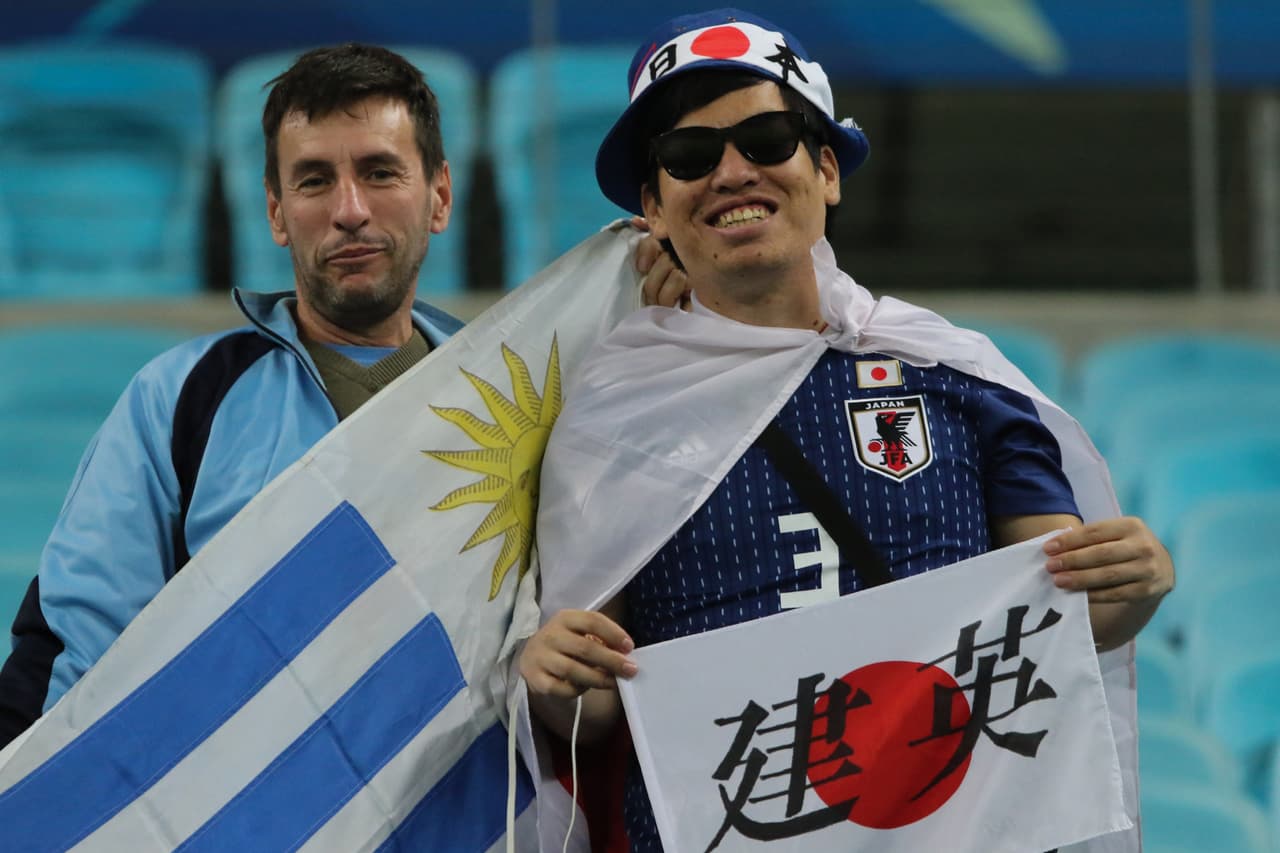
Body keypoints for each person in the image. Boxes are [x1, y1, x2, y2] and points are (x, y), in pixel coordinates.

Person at [519, 9, 1174, 850]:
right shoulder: (608, 421)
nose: (730, 172)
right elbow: (595, 708)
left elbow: (1067, 608)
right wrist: (555, 678)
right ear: (653, 205)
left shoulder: (955, 374)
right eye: (689, 157)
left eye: (765, 140)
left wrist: (1134, 581)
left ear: (826, 168)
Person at [0, 42, 680, 748]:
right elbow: (71, 661)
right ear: (275, 211)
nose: (350, 210)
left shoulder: (519, 399)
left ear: (440, 195)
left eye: (380, 172)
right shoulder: (182, 400)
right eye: (315, 181)